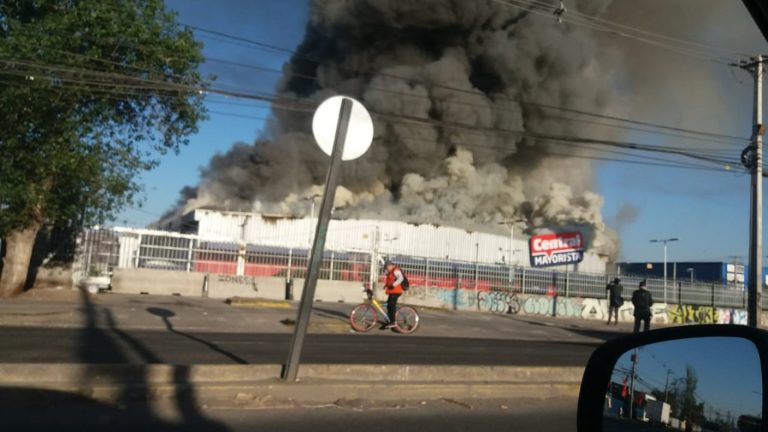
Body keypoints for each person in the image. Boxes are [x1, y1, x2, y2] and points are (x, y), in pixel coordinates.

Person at [383, 261, 405, 329]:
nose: (386, 269)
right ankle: (389, 320)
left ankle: (393, 322)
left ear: (390, 266)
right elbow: (391, 280)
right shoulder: (391, 271)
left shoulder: (395, 270)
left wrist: (393, 285)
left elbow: (401, 278)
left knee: (391, 305)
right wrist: (386, 285)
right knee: (388, 305)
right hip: (392, 291)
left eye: (386, 268)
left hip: (396, 291)